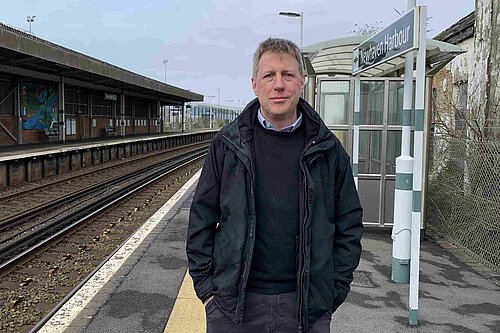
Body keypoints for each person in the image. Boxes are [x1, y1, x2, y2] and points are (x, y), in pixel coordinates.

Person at [186, 37, 363, 333]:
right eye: (269, 75)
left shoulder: (329, 150)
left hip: (306, 308)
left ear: (302, 81)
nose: (278, 85)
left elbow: (349, 223)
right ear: (255, 84)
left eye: (288, 75)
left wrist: (333, 293)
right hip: (232, 307)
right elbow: (201, 219)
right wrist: (208, 293)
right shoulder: (227, 146)